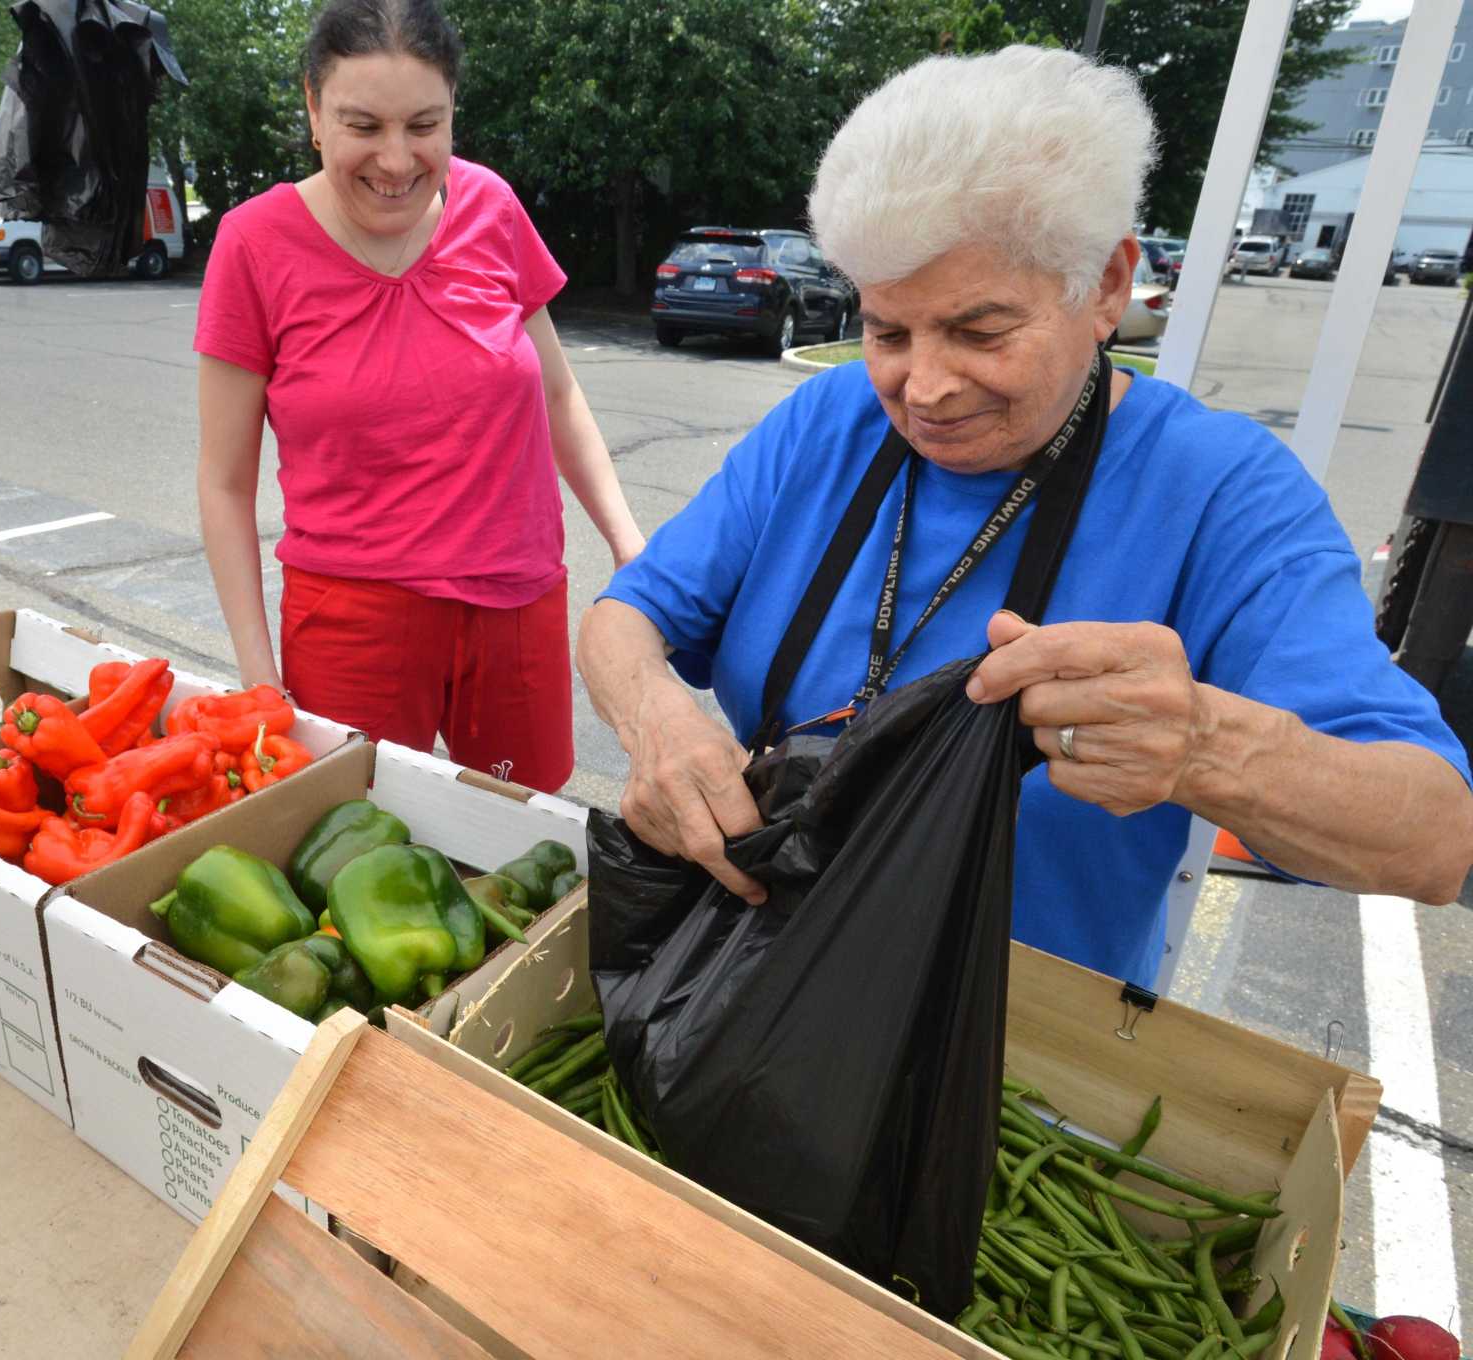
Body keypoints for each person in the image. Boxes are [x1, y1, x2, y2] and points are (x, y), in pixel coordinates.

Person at [579, 46, 1473, 987]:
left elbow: (1435, 839)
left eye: (980, 330)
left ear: (1107, 288)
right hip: (742, 984)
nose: (922, 389)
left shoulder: (1220, 492)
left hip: (1011, 1069)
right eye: (886, 331)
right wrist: (657, 721)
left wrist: (1204, 746)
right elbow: (625, 618)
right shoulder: (823, 421)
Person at [194, 0, 644, 794]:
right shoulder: (254, 244)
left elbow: (558, 396)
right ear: (313, 108)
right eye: (363, 126)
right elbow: (225, 483)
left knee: (518, 844)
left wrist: (628, 544)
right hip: (352, 627)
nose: (396, 161)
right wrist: (259, 679)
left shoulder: (493, 210)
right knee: (359, 851)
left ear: (452, 116)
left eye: (423, 126)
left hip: (516, 607)